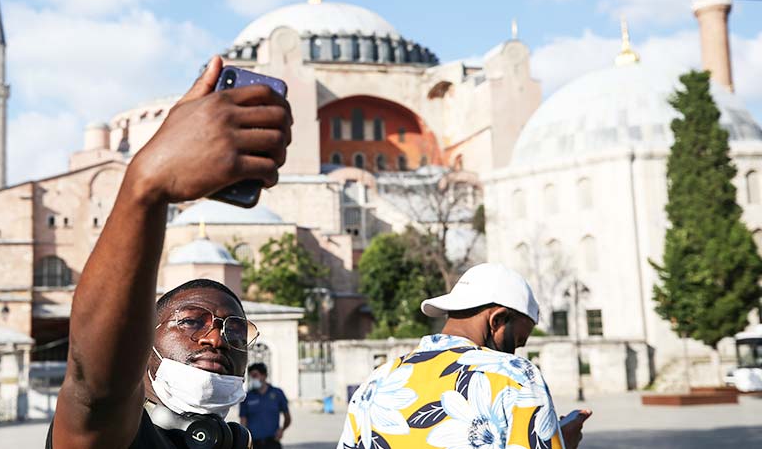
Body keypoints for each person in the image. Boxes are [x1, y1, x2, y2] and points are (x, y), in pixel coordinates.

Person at [47, 55, 292, 449]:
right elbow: (95, 386)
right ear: (143, 346)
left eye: (234, 330)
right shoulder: (111, 435)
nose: (216, 339)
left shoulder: (236, 443)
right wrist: (147, 185)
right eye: (191, 321)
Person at [338, 263, 592, 449]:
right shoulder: (516, 376)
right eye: (517, 341)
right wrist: (560, 442)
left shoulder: (377, 381)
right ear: (497, 319)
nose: (514, 352)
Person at [240, 362, 292, 448]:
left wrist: (282, 430)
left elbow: (287, 417)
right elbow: (243, 421)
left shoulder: (277, 393)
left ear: (264, 376)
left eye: (255, 375)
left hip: (272, 442)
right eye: (251, 376)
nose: (253, 379)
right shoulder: (247, 397)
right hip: (254, 444)